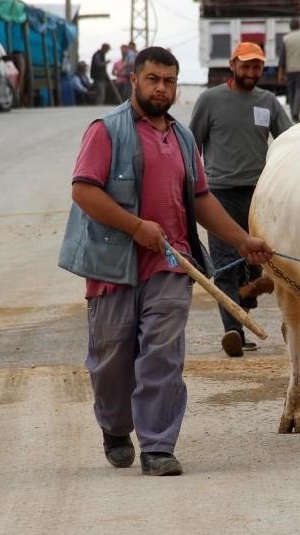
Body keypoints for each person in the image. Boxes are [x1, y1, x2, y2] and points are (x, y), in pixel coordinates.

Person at [58, 46, 274, 476]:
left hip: (172, 263)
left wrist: (243, 239)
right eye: (154, 79)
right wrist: (136, 226)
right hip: (112, 267)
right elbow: (83, 191)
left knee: (163, 354)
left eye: (170, 80)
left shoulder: (182, 137)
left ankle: (158, 445)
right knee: (112, 360)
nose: (162, 88)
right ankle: (116, 428)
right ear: (134, 80)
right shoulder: (106, 130)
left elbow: (201, 199)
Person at [189, 42, 291, 357]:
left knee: (261, 259)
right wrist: (190, 189)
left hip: (260, 195)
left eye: (256, 67)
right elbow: (192, 146)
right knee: (225, 265)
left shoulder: (268, 102)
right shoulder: (210, 100)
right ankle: (233, 330)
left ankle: (247, 292)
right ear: (232, 65)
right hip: (217, 195)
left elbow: (288, 140)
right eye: (245, 66)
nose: (250, 72)